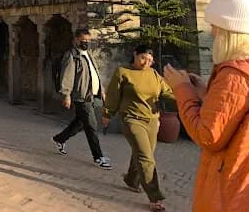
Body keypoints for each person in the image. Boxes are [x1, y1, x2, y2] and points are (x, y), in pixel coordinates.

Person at [163, 0, 249, 212]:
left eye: (215, 26)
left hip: (234, 185)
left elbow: (209, 135)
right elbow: (244, 113)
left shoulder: (235, 75)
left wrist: (182, 90)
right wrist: (207, 95)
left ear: (228, 29)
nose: (212, 32)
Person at [102, 44, 174, 211]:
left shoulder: (154, 74)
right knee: (146, 157)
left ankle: (131, 179)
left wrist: (187, 97)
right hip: (131, 119)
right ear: (135, 54)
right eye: (143, 58)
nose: (145, 63)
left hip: (151, 120)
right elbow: (113, 94)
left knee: (143, 153)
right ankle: (155, 196)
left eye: (149, 60)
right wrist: (107, 114)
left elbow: (167, 93)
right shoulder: (123, 72)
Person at [52, 28, 111, 169]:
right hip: (81, 97)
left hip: (91, 95)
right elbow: (67, 76)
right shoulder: (72, 56)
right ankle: (98, 157)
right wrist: (66, 95)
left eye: (88, 40)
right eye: (83, 40)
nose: (86, 43)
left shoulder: (88, 54)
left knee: (80, 123)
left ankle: (59, 139)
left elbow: (94, 73)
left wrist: (101, 90)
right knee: (91, 126)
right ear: (76, 40)